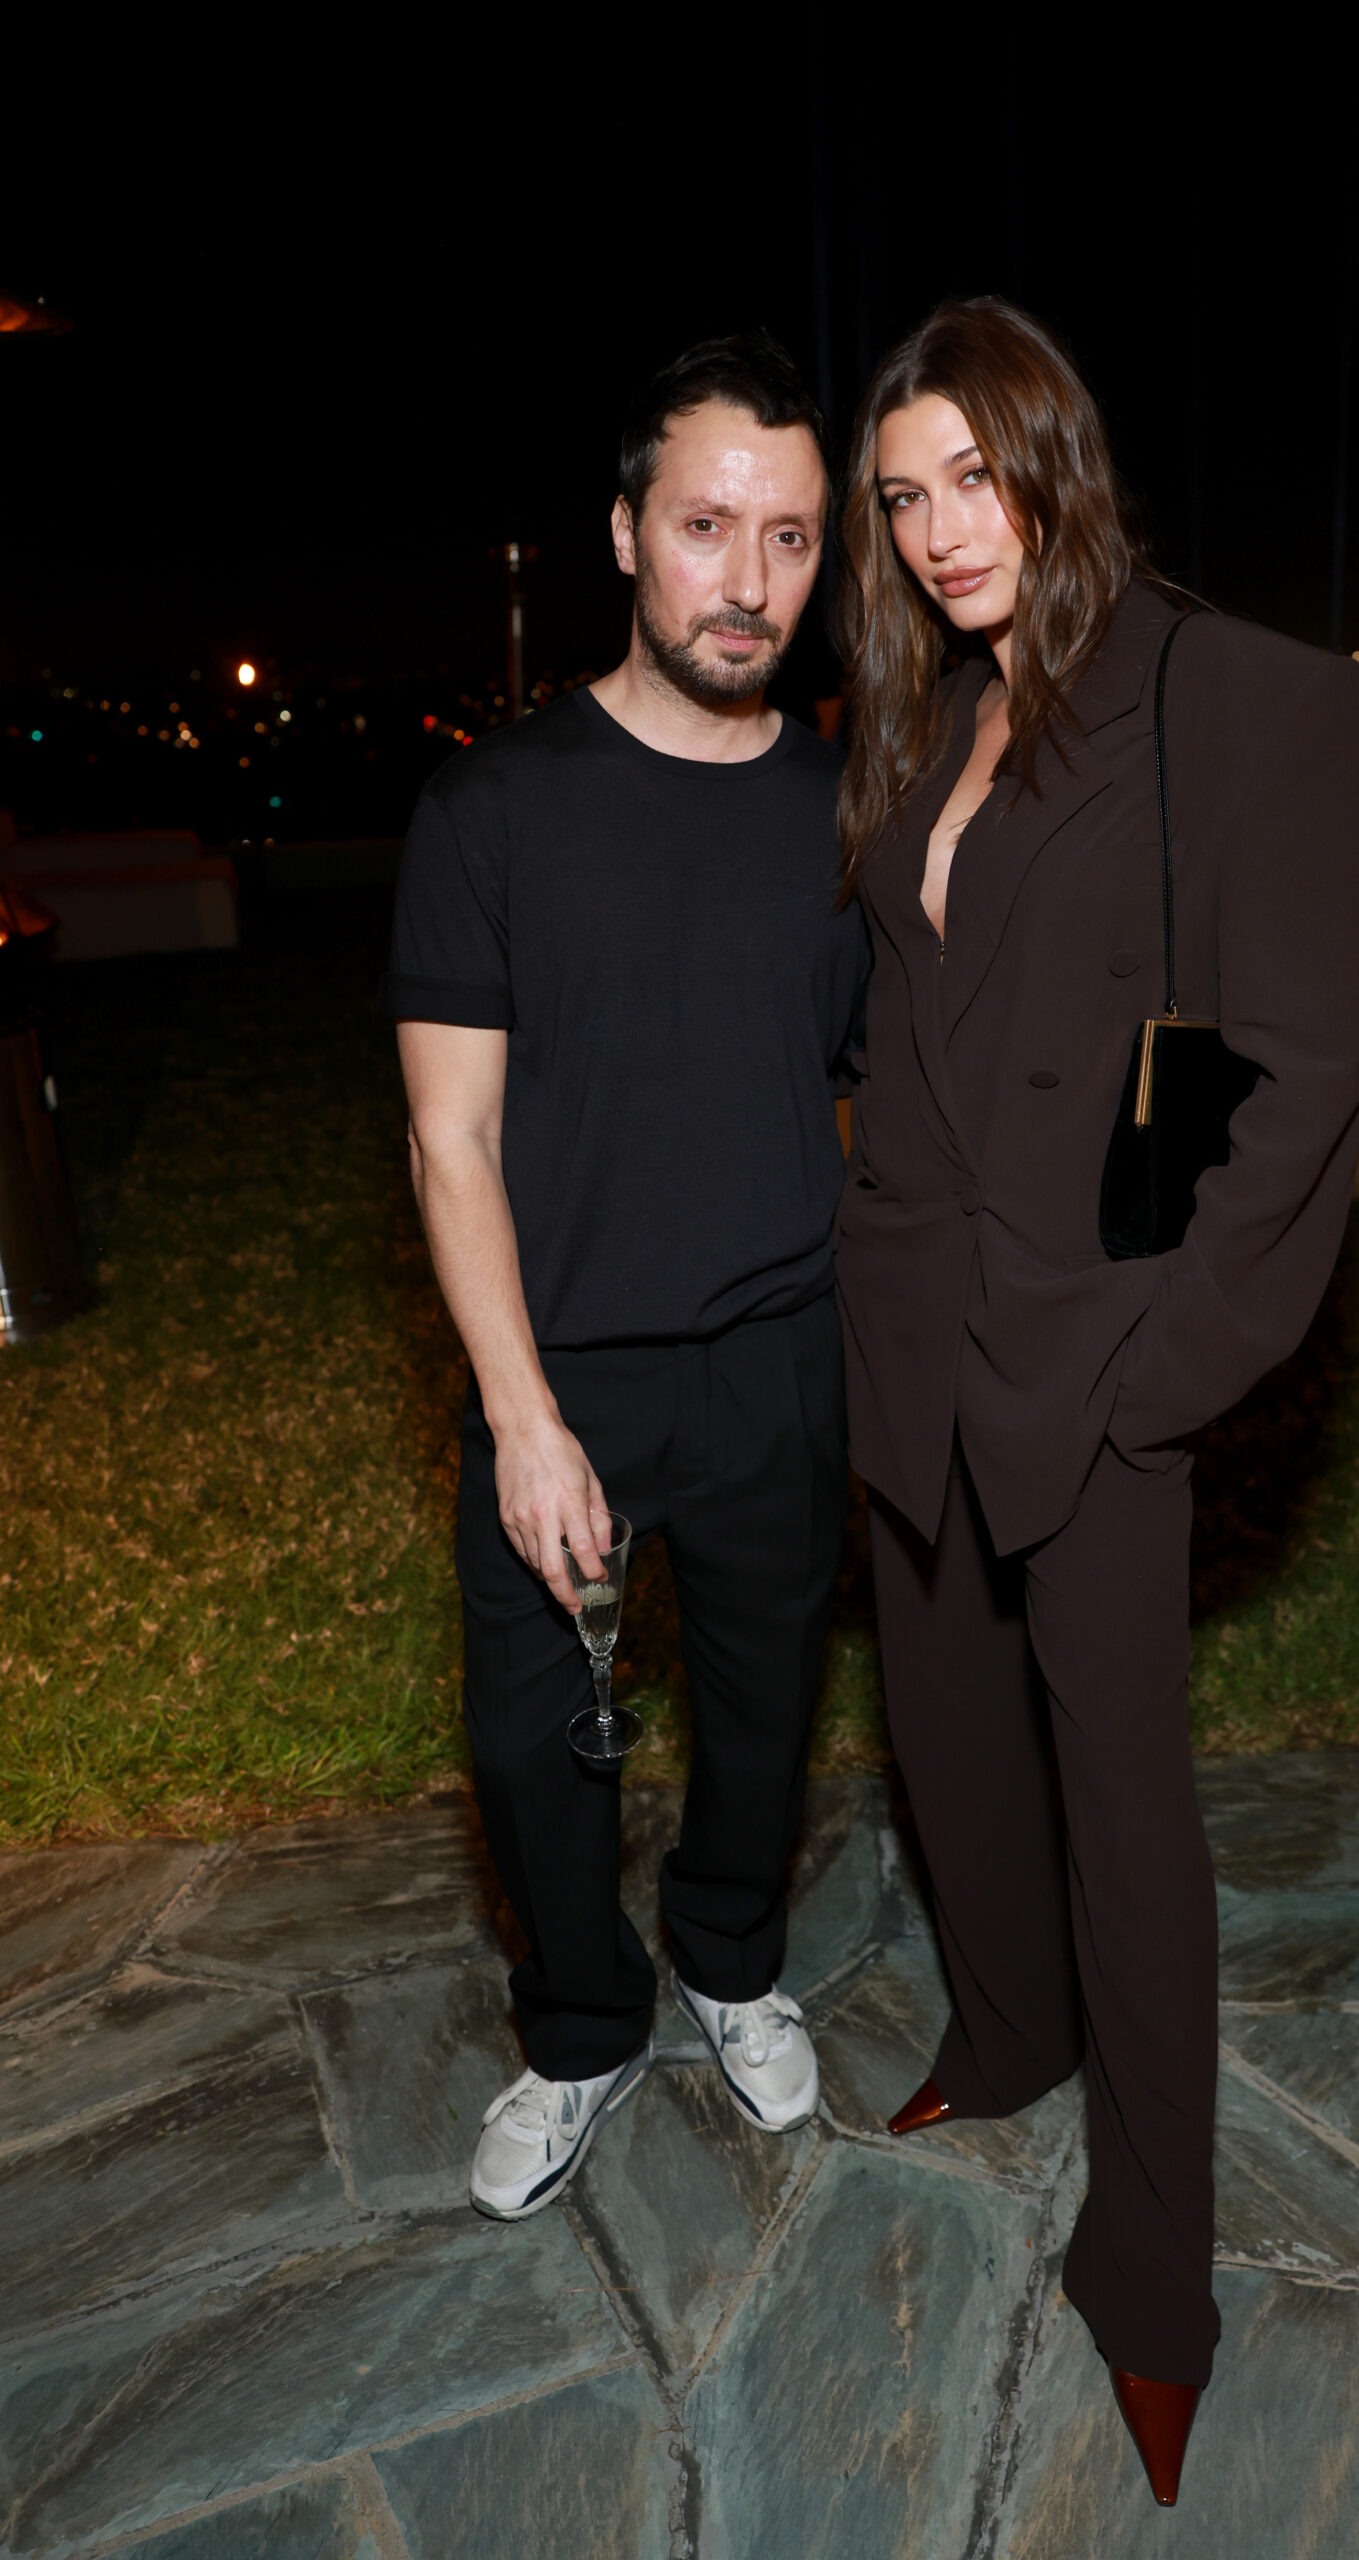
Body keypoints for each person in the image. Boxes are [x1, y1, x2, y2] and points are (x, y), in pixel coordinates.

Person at [832, 298, 1359, 2506]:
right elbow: (908, 1013)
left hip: (1101, 1356)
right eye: (904, 497)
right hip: (913, 1331)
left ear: (1058, 455)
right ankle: (1004, 2028)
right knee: (946, 1732)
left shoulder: (1240, 696)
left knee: (1126, 1816)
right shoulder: (930, 707)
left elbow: (1308, 1077)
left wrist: (1168, 1375)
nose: (941, 531)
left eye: (976, 475)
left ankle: (1152, 2277)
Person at [386, 333, 868, 2220]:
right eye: (705, 526)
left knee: (764, 1717)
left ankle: (733, 1961)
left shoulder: (843, 811)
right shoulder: (489, 812)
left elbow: (870, 1085)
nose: (747, 580)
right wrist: (522, 1418)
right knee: (532, 1748)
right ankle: (580, 2027)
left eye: (791, 538)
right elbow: (452, 1141)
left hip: (780, 1358)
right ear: (623, 533)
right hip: (562, 1365)